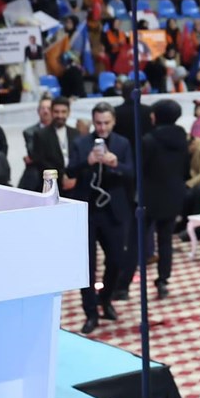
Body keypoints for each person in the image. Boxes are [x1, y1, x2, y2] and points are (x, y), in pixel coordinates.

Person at [65, 103, 133, 333]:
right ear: (93, 122)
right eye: (98, 123)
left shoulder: (123, 143)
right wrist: (89, 161)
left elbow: (132, 172)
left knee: (116, 260)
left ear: (113, 122)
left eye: (106, 123)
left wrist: (115, 164)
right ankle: (91, 311)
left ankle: (105, 298)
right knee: (87, 266)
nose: (102, 128)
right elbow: (70, 171)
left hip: (113, 209)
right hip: (88, 209)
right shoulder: (81, 143)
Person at [140, 101, 190, 300]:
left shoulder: (149, 139)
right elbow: (186, 168)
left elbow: (141, 169)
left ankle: (125, 283)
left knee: (139, 239)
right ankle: (163, 281)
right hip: (173, 194)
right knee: (165, 241)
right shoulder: (182, 138)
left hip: (150, 195)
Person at [19, 95, 75, 191]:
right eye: (57, 112)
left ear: (69, 113)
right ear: (52, 112)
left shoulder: (75, 133)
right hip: (51, 181)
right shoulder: (40, 134)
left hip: (73, 181)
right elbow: (41, 160)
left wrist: (73, 178)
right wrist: (62, 177)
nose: (60, 115)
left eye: (63, 112)